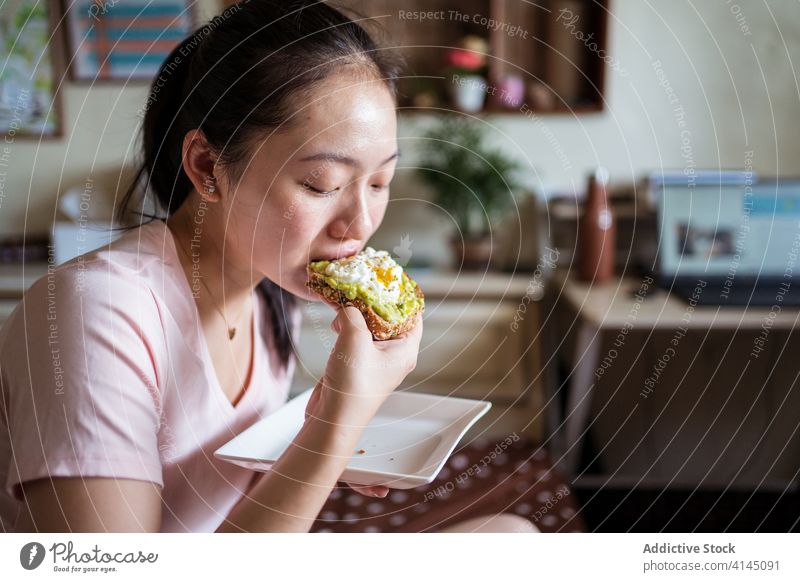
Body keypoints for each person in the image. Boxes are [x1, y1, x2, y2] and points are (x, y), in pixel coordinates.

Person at [0, 0, 536, 533]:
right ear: (208, 166)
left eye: (379, 183)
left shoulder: (270, 291)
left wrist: (332, 447)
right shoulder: (98, 312)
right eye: (321, 184)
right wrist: (334, 429)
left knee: (514, 537)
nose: (361, 222)